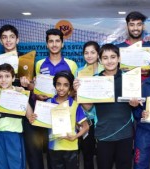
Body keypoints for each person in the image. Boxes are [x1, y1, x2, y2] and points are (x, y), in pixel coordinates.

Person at [74, 44, 139, 169]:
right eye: (105, 58)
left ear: (119, 58)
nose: (109, 61)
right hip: (103, 132)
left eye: (113, 57)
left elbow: (135, 104)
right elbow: (88, 107)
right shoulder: (95, 80)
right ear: (100, 60)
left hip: (125, 131)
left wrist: (134, 104)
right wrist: (79, 92)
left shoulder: (129, 78)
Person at [22, 28, 78, 169]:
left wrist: (67, 94)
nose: (54, 44)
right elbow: (35, 87)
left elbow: (74, 90)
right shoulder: (39, 64)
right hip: (44, 111)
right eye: (51, 41)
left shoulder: (71, 64)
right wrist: (36, 94)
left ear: (62, 43)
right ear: (46, 44)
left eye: (57, 41)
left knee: (59, 151)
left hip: (63, 113)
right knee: (41, 150)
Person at [29, 70, 89, 169]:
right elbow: (38, 122)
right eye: (58, 84)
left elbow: (86, 127)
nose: (61, 88)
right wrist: (33, 119)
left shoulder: (74, 105)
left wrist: (75, 137)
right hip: (53, 148)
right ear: (54, 85)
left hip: (71, 148)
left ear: (70, 87)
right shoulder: (47, 103)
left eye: (66, 85)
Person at [77, 41, 104, 169]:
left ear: (98, 54)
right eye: (86, 53)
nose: (89, 55)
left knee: (104, 155)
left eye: (92, 52)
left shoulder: (106, 70)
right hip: (86, 119)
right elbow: (74, 95)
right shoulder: (79, 71)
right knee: (87, 154)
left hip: (104, 119)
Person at [117, 11, 150, 80]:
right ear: (127, 27)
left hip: (147, 88)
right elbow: (113, 72)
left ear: (143, 26)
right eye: (132, 25)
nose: (135, 28)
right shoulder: (118, 48)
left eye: (139, 24)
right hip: (125, 87)